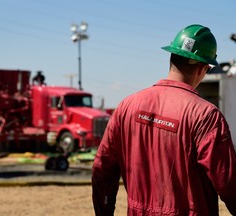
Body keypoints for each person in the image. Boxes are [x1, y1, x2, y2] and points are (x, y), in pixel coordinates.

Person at [92, 24, 236, 215]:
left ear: (171, 57)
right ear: (203, 68)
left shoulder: (127, 106)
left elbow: (102, 169)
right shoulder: (205, 116)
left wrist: (104, 211)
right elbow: (228, 183)